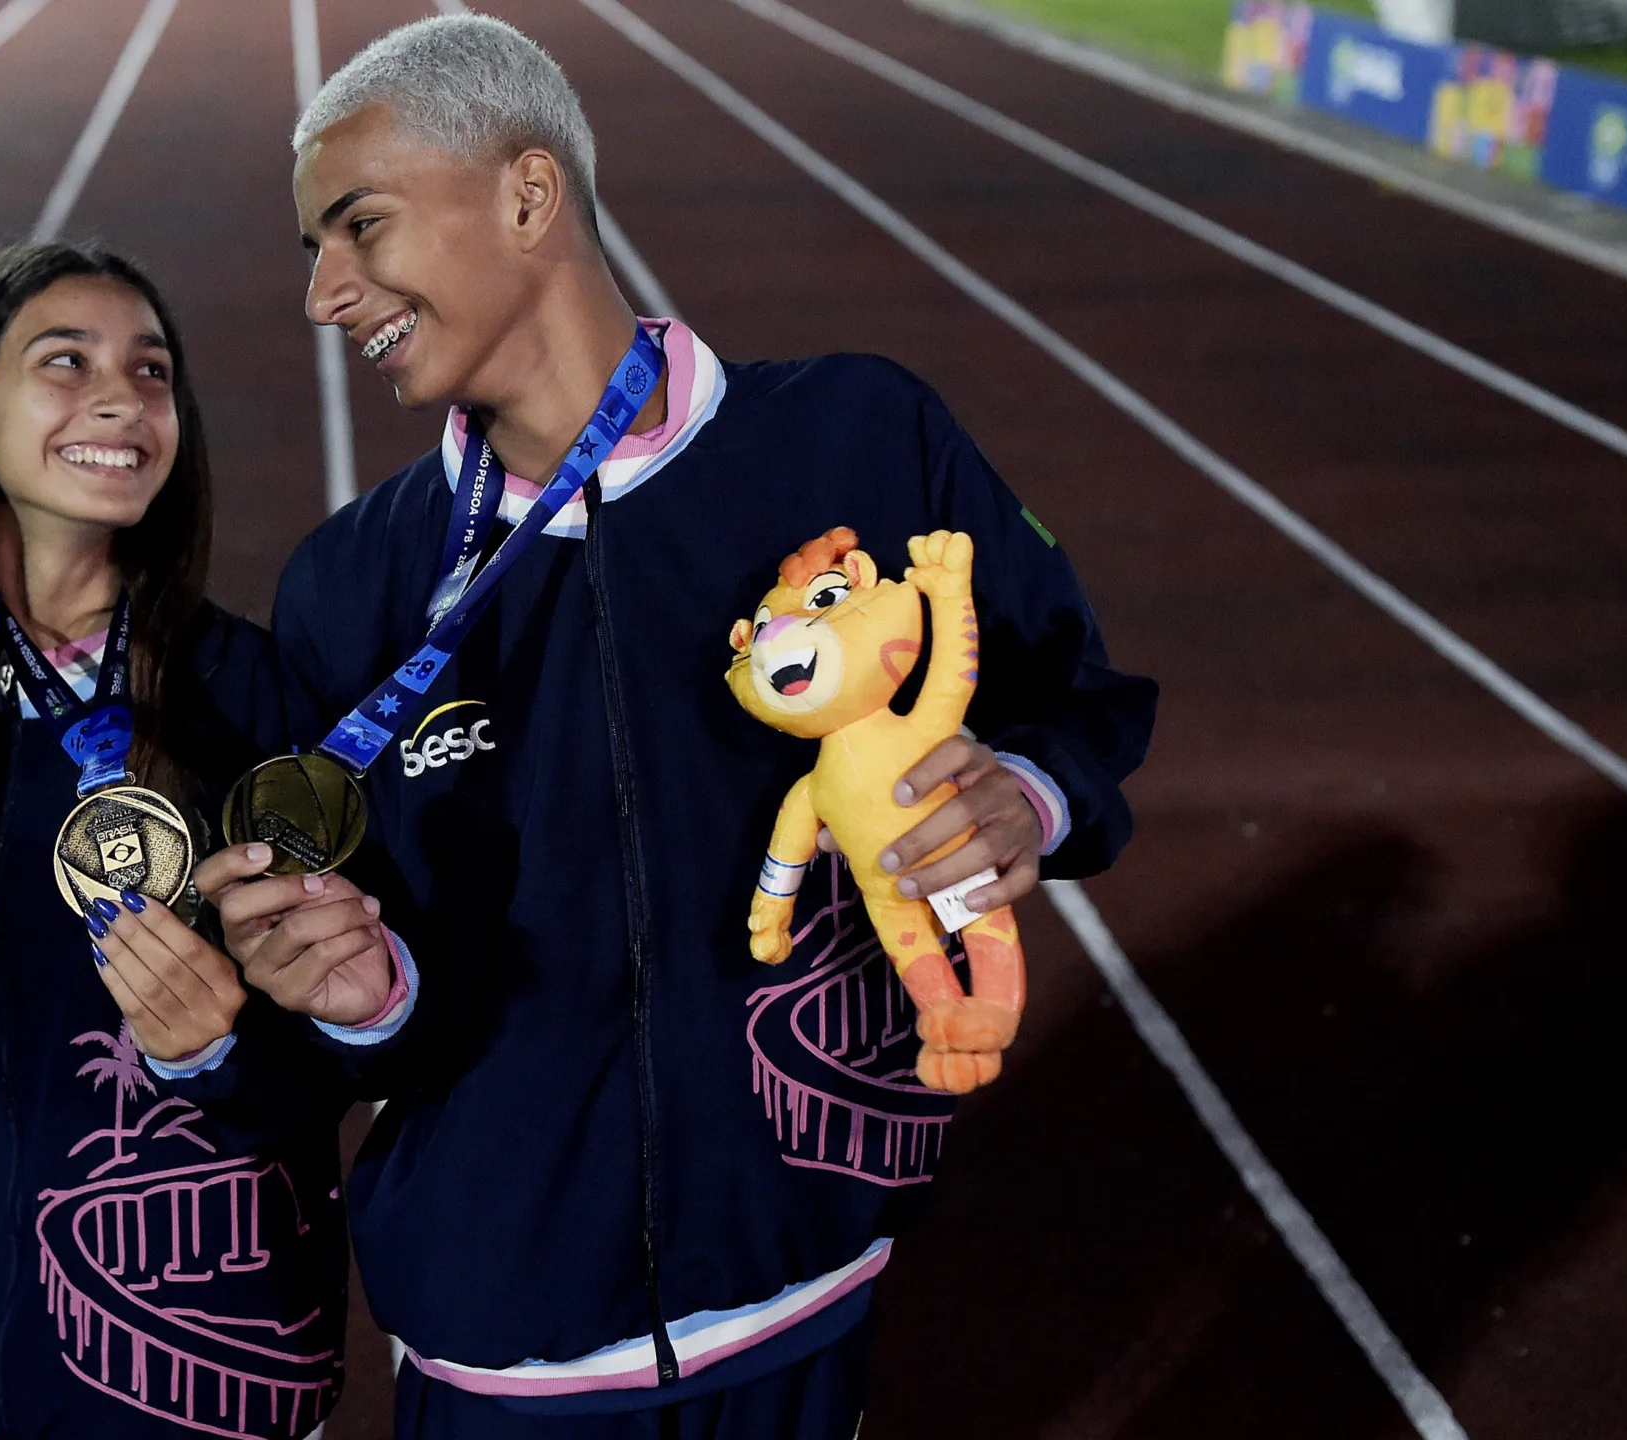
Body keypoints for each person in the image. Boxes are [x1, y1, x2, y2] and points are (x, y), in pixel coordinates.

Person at [180, 17, 1159, 1438]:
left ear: (528, 196)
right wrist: (356, 990)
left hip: (798, 1306)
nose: (326, 293)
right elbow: (386, 1016)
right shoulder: (353, 584)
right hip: (503, 1357)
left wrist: (1025, 793)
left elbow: (1077, 701)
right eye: (312, 252)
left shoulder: (855, 440)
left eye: (359, 228)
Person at [0, 243, 352, 1440]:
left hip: (240, 1359)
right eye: (66, 363)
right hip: (12, 1370)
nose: (122, 398)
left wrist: (217, 1055)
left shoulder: (242, 687)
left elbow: (339, 1061)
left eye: (151, 371)